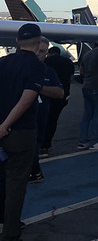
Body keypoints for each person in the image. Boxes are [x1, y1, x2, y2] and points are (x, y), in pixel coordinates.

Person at [0, 23, 45, 241]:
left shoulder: (4, 62)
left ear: (17, 41)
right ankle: (10, 231)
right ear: (39, 41)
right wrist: (6, 125)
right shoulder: (36, 66)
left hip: (1, 129)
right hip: (20, 132)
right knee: (16, 183)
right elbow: (26, 100)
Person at [28, 38, 64, 184]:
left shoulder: (48, 72)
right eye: (36, 50)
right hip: (17, 119)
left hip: (39, 118)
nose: (38, 54)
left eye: (42, 51)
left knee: (33, 146)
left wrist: (38, 87)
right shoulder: (16, 67)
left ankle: (34, 172)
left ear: (46, 54)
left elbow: (59, 93)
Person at [77, 41, 98, 150]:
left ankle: (83, 141)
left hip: (87, 86)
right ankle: (94, 141)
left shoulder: (87, 54)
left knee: (87, 114)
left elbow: (81, 72)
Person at [41, 46, 74, 156]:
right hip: (62, 93)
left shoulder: (46, 61)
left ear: (49, 53)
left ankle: (41, 143)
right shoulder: (68, 61)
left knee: (42, 119)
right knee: (53, 120)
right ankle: (46, 144)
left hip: (47, 93)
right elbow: (71, 78)